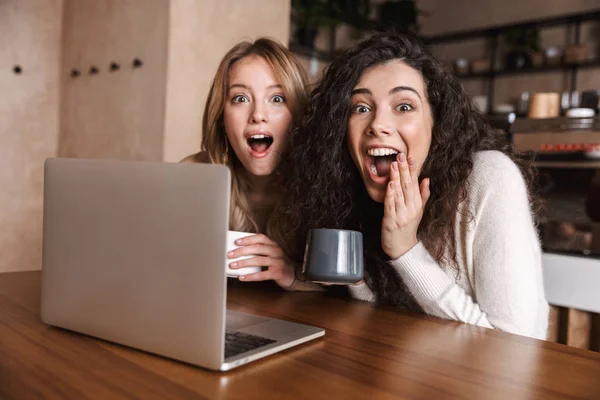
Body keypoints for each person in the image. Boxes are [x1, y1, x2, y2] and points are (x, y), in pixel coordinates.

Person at [275, 32, 549, 339]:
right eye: (361, 108)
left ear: (436, 120)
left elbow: (517, 345)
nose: (378, 124)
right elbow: (389, 325)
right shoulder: (354, 195)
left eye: (403, 106)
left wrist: (406, 251)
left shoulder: (490, 177)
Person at [182, 38, 319, 291]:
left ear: (299, 114)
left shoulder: (323, 187)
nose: (258, 115)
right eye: (240, 98)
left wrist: (292, 273)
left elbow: (353, 290)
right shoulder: (193, 176)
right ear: (221, 117)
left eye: (277, 99)